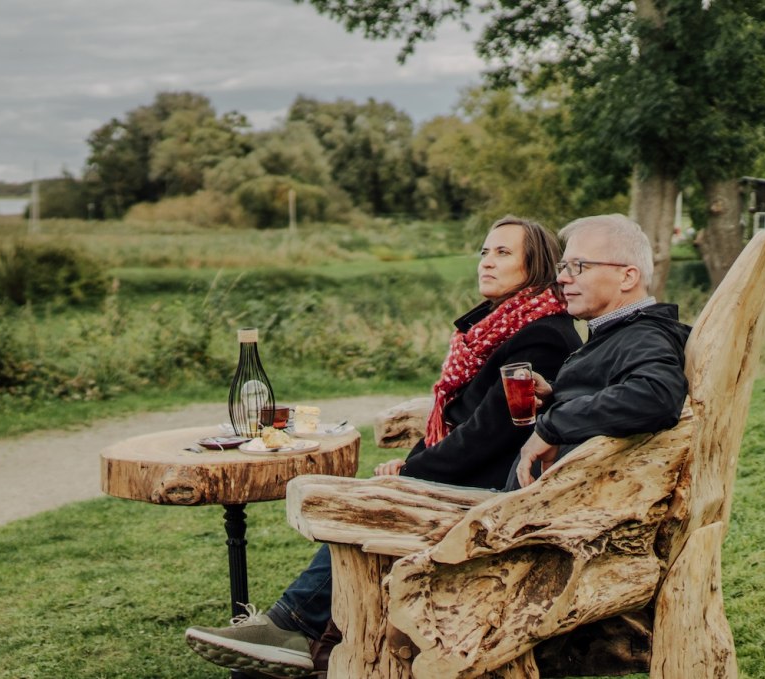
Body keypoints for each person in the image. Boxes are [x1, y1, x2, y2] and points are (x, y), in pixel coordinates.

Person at [184, 216, 583, 678]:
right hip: (470, 476)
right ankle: (304, 648)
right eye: (484, 252)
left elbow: (485, 436)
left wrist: (414, 472)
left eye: (503, 253)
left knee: (352, 507)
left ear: (537, 266)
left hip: (493, 494)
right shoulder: (503, 328)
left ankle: (290, 627)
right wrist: (414, 462)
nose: (487, 262)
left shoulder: (541, 335)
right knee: (365, 504)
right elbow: (462, 423)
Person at [510, 214, 690, 489]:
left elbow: (657, 394)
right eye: (563, 266)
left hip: (558, 522)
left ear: (627, 277)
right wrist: (555, 394)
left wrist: (554, 424)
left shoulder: (644, 335)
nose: (561, 278)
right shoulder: (619, 332)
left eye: (578, 266)